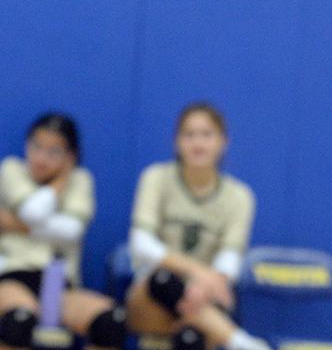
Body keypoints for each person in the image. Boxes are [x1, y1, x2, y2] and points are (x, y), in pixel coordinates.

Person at [125, 103, 268, 350]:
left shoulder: (240, 196)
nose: (198, 144)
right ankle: (241, 342)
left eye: (206, 135)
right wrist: (200, 273)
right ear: (176, 142)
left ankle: (229, 337)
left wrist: (205, 284)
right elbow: (142, 244)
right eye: (189, 135)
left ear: (224, 141)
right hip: (150, 298)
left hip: (207, 296)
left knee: (191, 337)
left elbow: (230, 258)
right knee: (162, 280)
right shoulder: (156, 178)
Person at [0, 113, 127, 350]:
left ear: (71, 157)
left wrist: (14, 223)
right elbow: (33, 212)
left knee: (111, 322)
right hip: (13, 275)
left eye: (53, 151)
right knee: (19, 321)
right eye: (36, 147)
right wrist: (48, 212)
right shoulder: (11, 169)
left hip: (59, 282)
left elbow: (70, 231)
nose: (41, 158)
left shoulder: (80, 179)